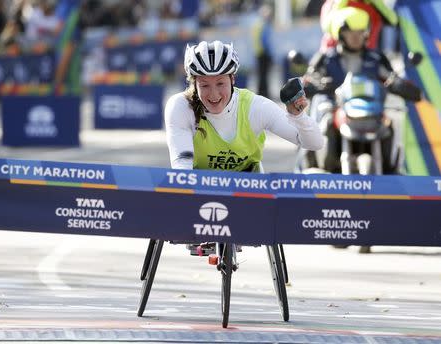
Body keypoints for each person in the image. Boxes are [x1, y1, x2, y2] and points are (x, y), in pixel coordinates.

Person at [164, 40, 324, 255]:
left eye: (220, 83)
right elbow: (182, 169)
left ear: (233, 79)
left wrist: (298, 116)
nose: (213, 95)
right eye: (204, 85)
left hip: (248, 191)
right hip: (199, 192)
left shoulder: (255, 107)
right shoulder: (180, 106)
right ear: (194, 84)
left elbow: (315, 143)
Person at [304, 6, 421, 175]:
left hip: (371, 109)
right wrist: (312, 84)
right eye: (351, 33)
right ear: (340, 33)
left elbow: (390, 76)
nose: (356, 37)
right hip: (336, 108)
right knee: (325, 121)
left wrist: (399, 84)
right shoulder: (326, 58)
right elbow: (310, 78)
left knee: (390, 123)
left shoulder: (376, 58)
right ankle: (320, 165)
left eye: (361, 32)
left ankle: (391, 170)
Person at [319, 0, 398, 52]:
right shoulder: (332, 3)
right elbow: (325, 27)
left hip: (366, 58)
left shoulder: (373, 5)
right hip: (336, 55)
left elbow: (393, 21)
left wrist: (377, 3)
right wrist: (340, 4)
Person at [252, 4, 274, 98]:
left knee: (262, 76)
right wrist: (269, 53)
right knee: (264, 76)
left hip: (259, 53)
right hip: (263, 54)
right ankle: (264, 93)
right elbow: (265, 41)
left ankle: (262, 93)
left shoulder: (258, 24)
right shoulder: (264, 25)